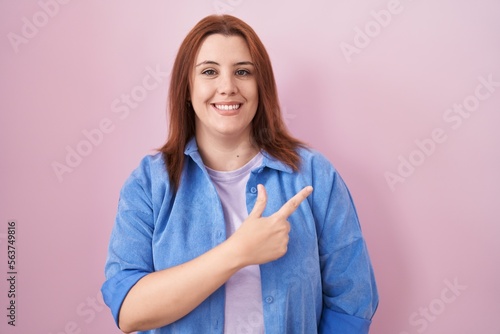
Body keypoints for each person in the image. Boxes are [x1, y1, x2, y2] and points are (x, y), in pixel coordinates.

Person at [101, 14, 378, 334]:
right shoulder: (149, 184)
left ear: (261, 86)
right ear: (187, 88)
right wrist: (238, 252)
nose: (228, 87)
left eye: (243, 72)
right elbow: (129, 310)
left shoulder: (314, 174)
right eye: (209, 72)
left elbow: (353, 301)